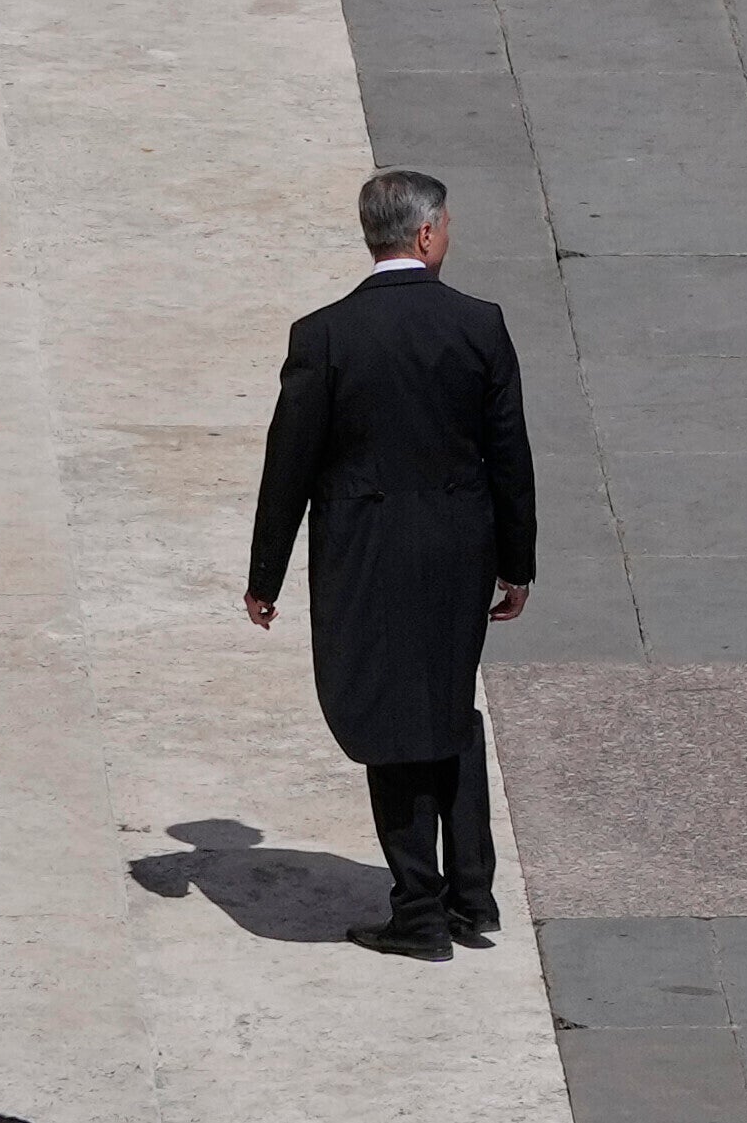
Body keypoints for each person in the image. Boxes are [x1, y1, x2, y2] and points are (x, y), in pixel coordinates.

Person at [242, 167, 534, 958]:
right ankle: (473, 900)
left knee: (389, 719)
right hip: (457, 554)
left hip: (364, 558)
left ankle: (419, 913)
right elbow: (509, 453)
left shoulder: (324, 335)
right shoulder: (480, 323)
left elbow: (288, 466)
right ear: (428, 232)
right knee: (447, 708)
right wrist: (517, 562)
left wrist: (263, 576)